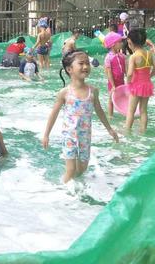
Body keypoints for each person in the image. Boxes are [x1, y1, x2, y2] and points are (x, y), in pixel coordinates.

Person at [42, 50, 118, 184]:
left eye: (87, 63)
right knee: (70, 170)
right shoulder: (65, 92)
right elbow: (54, 113)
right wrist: (46, 134)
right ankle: (63, 191)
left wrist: (109, 129)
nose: (86, 67)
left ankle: (74, 187)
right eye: (81, 63)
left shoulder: (93, 91)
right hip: (69, 136)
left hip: (85, 136)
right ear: (69, 69)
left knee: (82, 169)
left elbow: (99, 111)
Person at [125, 29, 155, 134]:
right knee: (143, 111)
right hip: (147, 84)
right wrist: (149, 76)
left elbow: (130, 73)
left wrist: (128, 82)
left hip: (136, 85)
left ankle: (127, 131)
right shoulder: (149, 54)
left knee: (131, 111)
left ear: (130, 42)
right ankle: (143, 131)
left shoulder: (134, 56)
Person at [103, 32, 126, 118]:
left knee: (124, 97)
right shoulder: (108, 58)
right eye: (119, 42)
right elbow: (108, 72)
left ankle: (125, 113)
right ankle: (110, 116)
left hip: (121, 81)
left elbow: (125, 70)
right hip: (113, 83)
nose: (122, 43)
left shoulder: (122, 56)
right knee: (111, 99)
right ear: (113, 45)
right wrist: (113, 85)